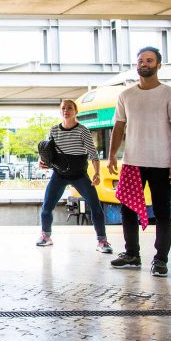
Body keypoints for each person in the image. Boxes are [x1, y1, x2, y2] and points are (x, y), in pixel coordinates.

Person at [107, 46, 171, 277]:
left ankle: (161, 259)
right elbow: (118, 127)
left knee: (162, 212)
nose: (144, 64)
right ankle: (132, 254)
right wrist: (112, 155)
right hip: (132, 162)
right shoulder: (126, 96)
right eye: (141, 60)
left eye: (149, 60)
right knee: (127, 210)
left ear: (158, 65)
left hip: (162, 163)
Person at [35, 99, 111, 253]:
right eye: (63, 108)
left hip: (79, 175)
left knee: (96, 207)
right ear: (60, 111)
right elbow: (47, 151)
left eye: (70, 108)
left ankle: (102, 241)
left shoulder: (83, 131)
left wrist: (97, 173)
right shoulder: (54, 130)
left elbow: (93, 155)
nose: (66, 111)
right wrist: (41, 161)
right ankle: (46, 236)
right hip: (59, 174)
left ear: (76, 111)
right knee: (46, 207)